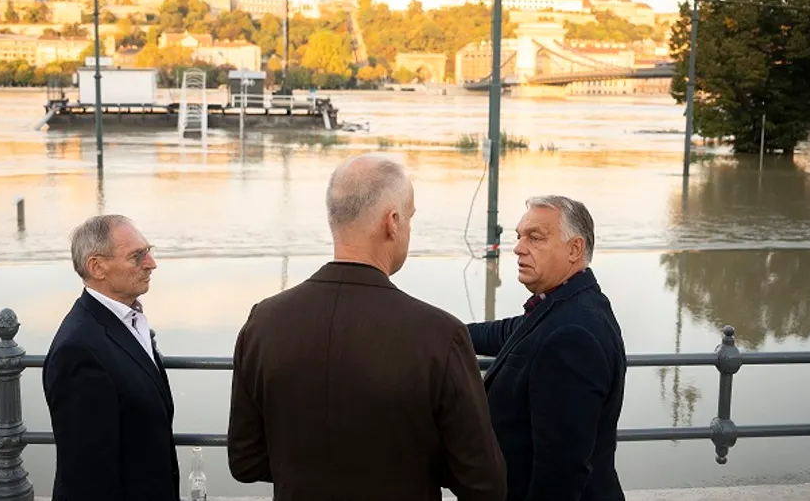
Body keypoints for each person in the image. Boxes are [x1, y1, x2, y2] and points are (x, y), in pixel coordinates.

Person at [227, 153, 506, 501]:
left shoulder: (263, 323)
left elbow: (245, 461)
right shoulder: (439, 335)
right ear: (393, 222)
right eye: (410, 218)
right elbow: (484, 484)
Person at [467, 196, 627, 501]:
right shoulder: (568, 305)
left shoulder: (573, 335)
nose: (518, 248)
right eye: (519, 236)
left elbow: (560, 475)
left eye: (535, 238)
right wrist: (440, 332)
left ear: (574, 249)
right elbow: (510, 331)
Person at [43, 214, 179, 501]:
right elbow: (87, 475)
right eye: (137, 256)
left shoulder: (126, 321)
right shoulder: (78, 350)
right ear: (97, 267)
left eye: (148, 251)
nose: (151, 263)